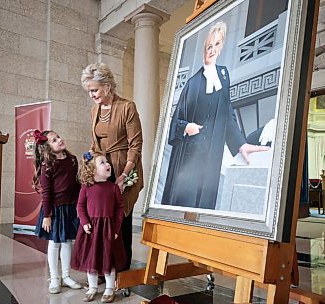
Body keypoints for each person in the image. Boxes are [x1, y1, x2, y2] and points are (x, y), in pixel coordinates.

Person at [161, 21, 269, 209]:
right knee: (186, 202)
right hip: (190, 156)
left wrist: (240, 144)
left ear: (222, 45)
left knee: (205, 205)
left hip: (211, 155)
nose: (211, 50)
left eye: (216, 45)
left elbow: (227, 112)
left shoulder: (223, 74)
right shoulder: (192, 83)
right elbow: (175, 121)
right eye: (208, 46)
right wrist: (187, 127)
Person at [81, 63, 143, 271]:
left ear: (107, 86)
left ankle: (122, 272)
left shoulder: (127, 107)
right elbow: (94, 144)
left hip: (124, 168)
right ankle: (104, 267)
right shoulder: (94, 111)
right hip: (102, 171)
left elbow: (136, 144)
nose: (92, 95)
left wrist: (125, 175)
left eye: (94, 90)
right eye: (89, 91)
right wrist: (87, 160)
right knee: (101, 221)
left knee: (121, 221)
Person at [71, 151, 127, 303]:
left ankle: (109, 288)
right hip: (91, 230)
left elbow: (120, 209)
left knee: (109, 258)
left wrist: (116, 229)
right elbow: (80, 206)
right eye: (102, 162)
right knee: (92, 259)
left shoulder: (113, 188)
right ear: (92, 170)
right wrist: (84, 222)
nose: (108, 164)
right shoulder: (86, 187)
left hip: (108, 229)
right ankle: (93, 287)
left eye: (107, 162)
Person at [32, 129, 83, 294]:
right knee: (54, 243)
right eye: (54, 140)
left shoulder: (73, 160)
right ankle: (55, 277)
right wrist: (47, 216)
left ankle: (66, 276)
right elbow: (47, 193)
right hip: (53, 210)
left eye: (58, 137)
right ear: (48, 148)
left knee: (68, 241)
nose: (59, 140)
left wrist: (78, 206)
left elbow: (76, 185)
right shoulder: (48, 165)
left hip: (69, 208)